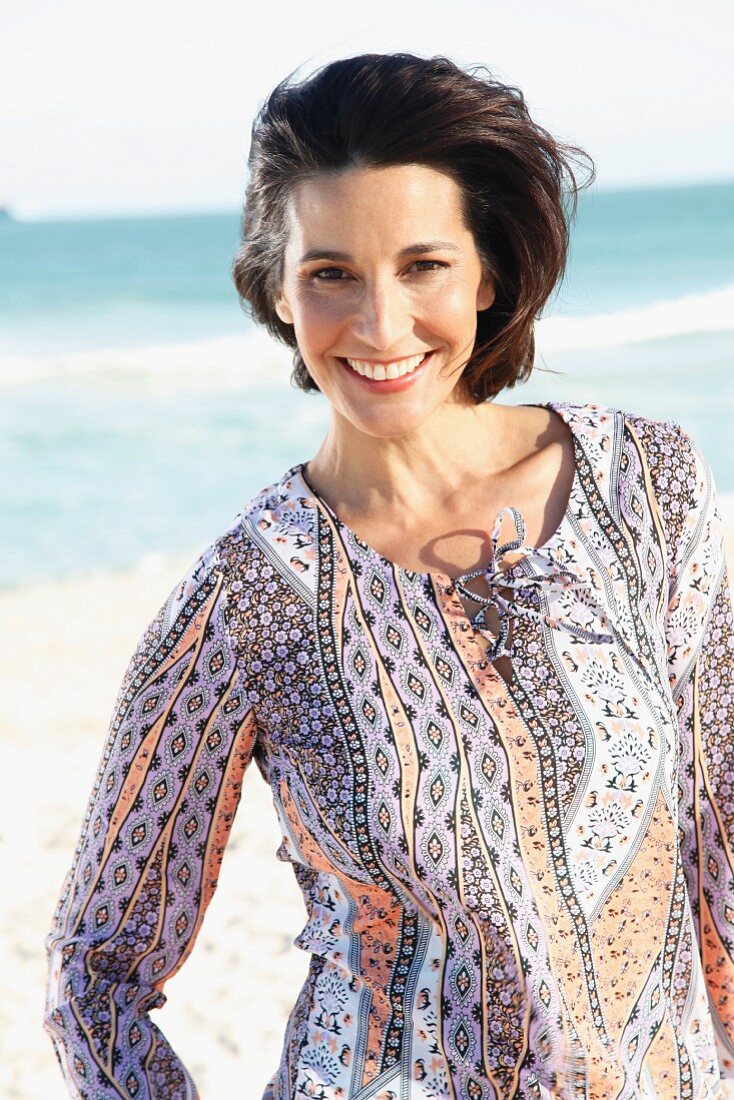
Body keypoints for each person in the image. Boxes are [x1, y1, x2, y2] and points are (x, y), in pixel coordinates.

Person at [43, 51, 734, 1100]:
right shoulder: (246, 594)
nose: (377, 325)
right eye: (331, 274)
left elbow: (719, 838)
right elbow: (94, 970)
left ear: (487, 272)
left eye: (422, 267)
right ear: (278, 290)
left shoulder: (650, 488)